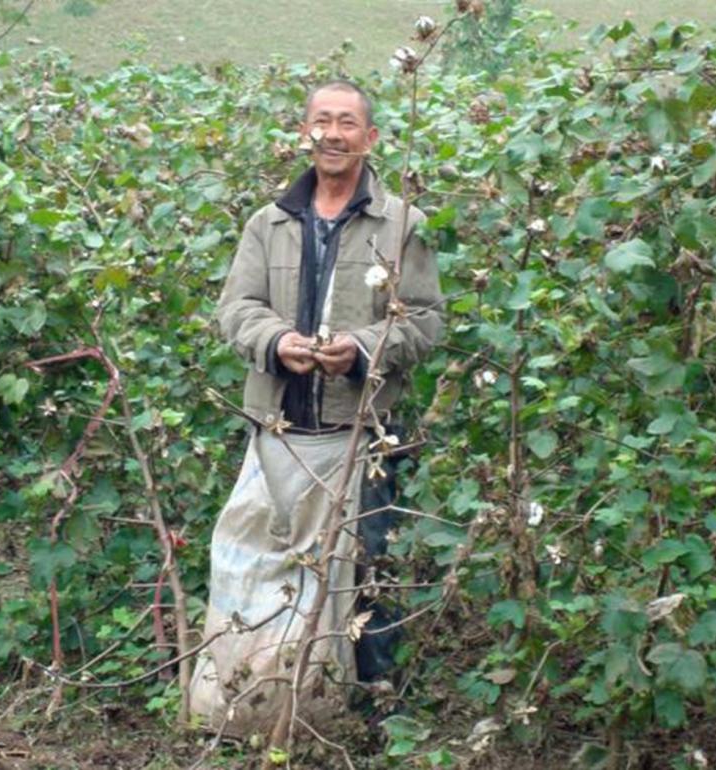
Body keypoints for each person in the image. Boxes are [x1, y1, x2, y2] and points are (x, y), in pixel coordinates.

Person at [188, 80, 443, 733]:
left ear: (370, 138)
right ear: (306, 132)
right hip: (279, 430)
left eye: (347, 123)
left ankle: (371, 718)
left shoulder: (403, 224)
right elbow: (236, 310)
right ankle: (259, 708)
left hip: (366, 434)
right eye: (322, 122)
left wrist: (359, 350)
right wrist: (278, 342)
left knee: (368, 579)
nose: (333, 133)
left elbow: (425, 323)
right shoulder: (267, 223)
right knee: (255, 564)